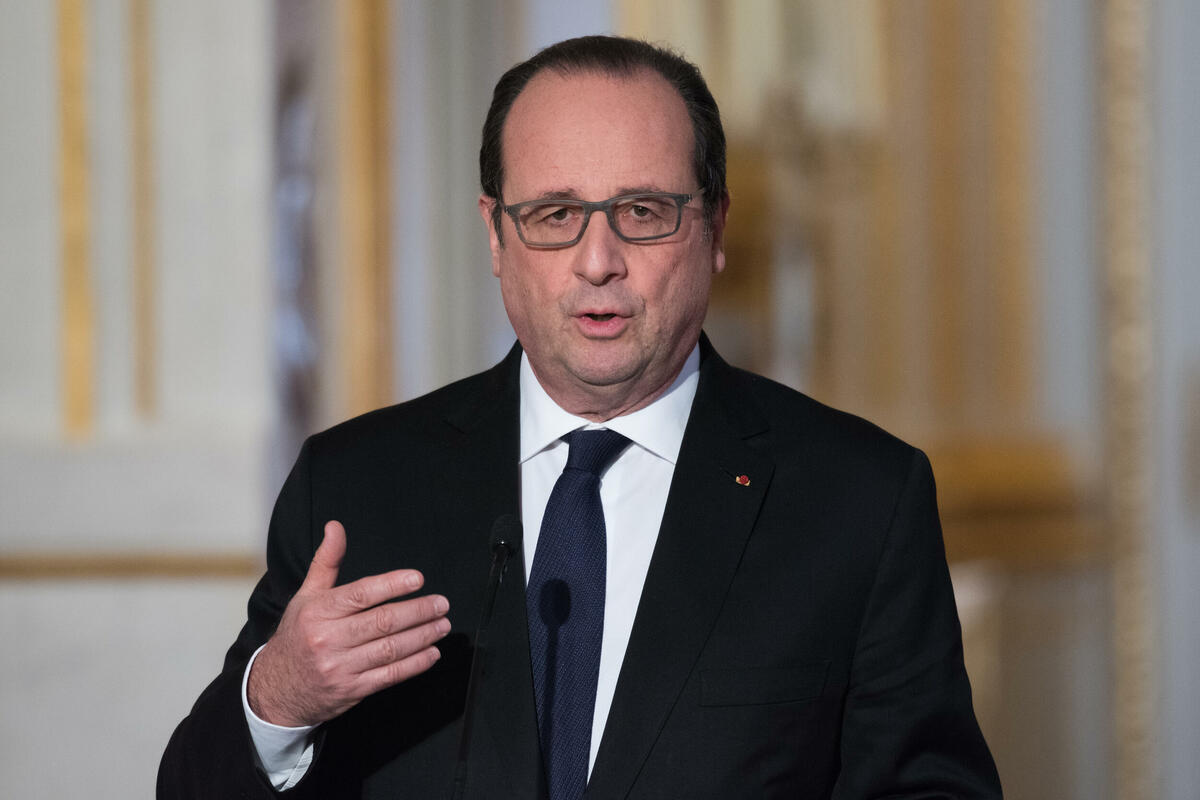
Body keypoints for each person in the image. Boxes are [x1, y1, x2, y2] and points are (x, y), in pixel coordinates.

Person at [159, 35, 1001, 799]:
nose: (599, 262)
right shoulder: (357, 488)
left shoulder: (859, 500)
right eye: (555, 216)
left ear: (714, 226)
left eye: (643, 212)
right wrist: (279, 700)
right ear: (497, 237)